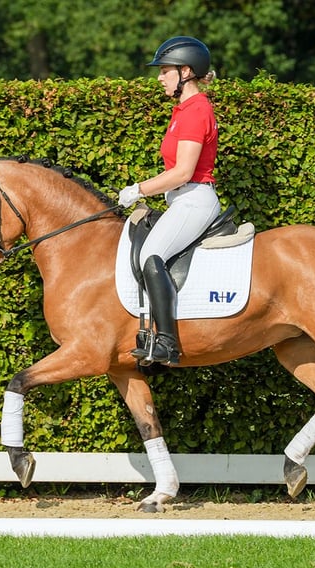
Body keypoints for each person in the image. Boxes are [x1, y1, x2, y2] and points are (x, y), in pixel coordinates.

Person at [118, 36, 221, 365]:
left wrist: (138, 189)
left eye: (165, 71)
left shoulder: (196, 111)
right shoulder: (184, 110)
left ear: (186, 72)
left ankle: (167, 343)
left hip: (194, 198)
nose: (160, 77)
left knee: (151, 254)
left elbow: (182, 172)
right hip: (182, 201)